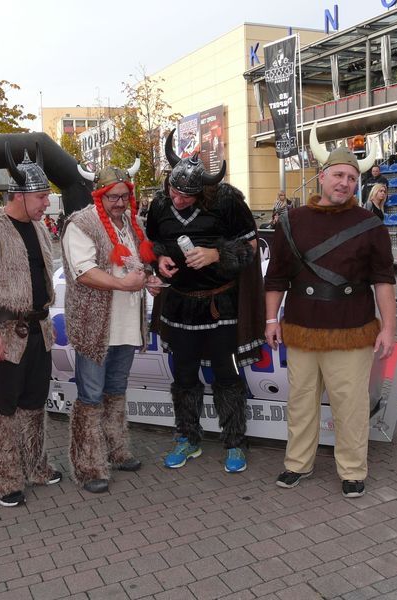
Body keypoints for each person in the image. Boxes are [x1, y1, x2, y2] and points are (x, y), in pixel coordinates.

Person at [263, 145, 395, 497]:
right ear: (321, 177)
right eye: (338, 175)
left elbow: (383, 281)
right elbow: (276, 278)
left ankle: (352, 470)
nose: (344, 183)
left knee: (350, 406)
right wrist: (271, 319)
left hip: (351, 330)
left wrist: (388, 327)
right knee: (301, 403)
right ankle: (297, 463)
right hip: (302, 329)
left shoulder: (370, 225)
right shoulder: (292, 221)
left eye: (351, 178)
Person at [147, 130, 265, 474]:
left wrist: (217, 254)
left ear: (202, 192)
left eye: (186, 196)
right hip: (179, 304)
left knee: (227, 374)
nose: (177, 199)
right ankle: (187, 437)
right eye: (174, 191)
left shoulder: (227, 201)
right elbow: (152, 244)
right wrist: (159, 260)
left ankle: (235, 442)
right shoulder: (160, 204)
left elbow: (252, 246)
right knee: (183, 375)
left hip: (220, 306)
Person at [0, 147, 62, 508]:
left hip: (39, 330)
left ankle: (35, 466)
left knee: (34, 404)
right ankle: (1, 481)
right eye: (41, 197)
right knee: (2, 408)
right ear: (19, 195)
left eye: (47, 196)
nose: (47, 203)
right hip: (5, 332)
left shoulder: (38, 228)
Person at [64, 160, 158, 493]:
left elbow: (137, 265)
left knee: (116, 390)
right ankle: (89, 466)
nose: (119, 202)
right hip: (95, 326)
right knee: (90, 395)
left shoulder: (133, 223)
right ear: (98, 195)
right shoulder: (82, 224)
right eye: (112, 197)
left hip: (127, 325)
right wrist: (124, 284)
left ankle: (116, 450)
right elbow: (84, 272)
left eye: (124, 196)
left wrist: (149, 280)